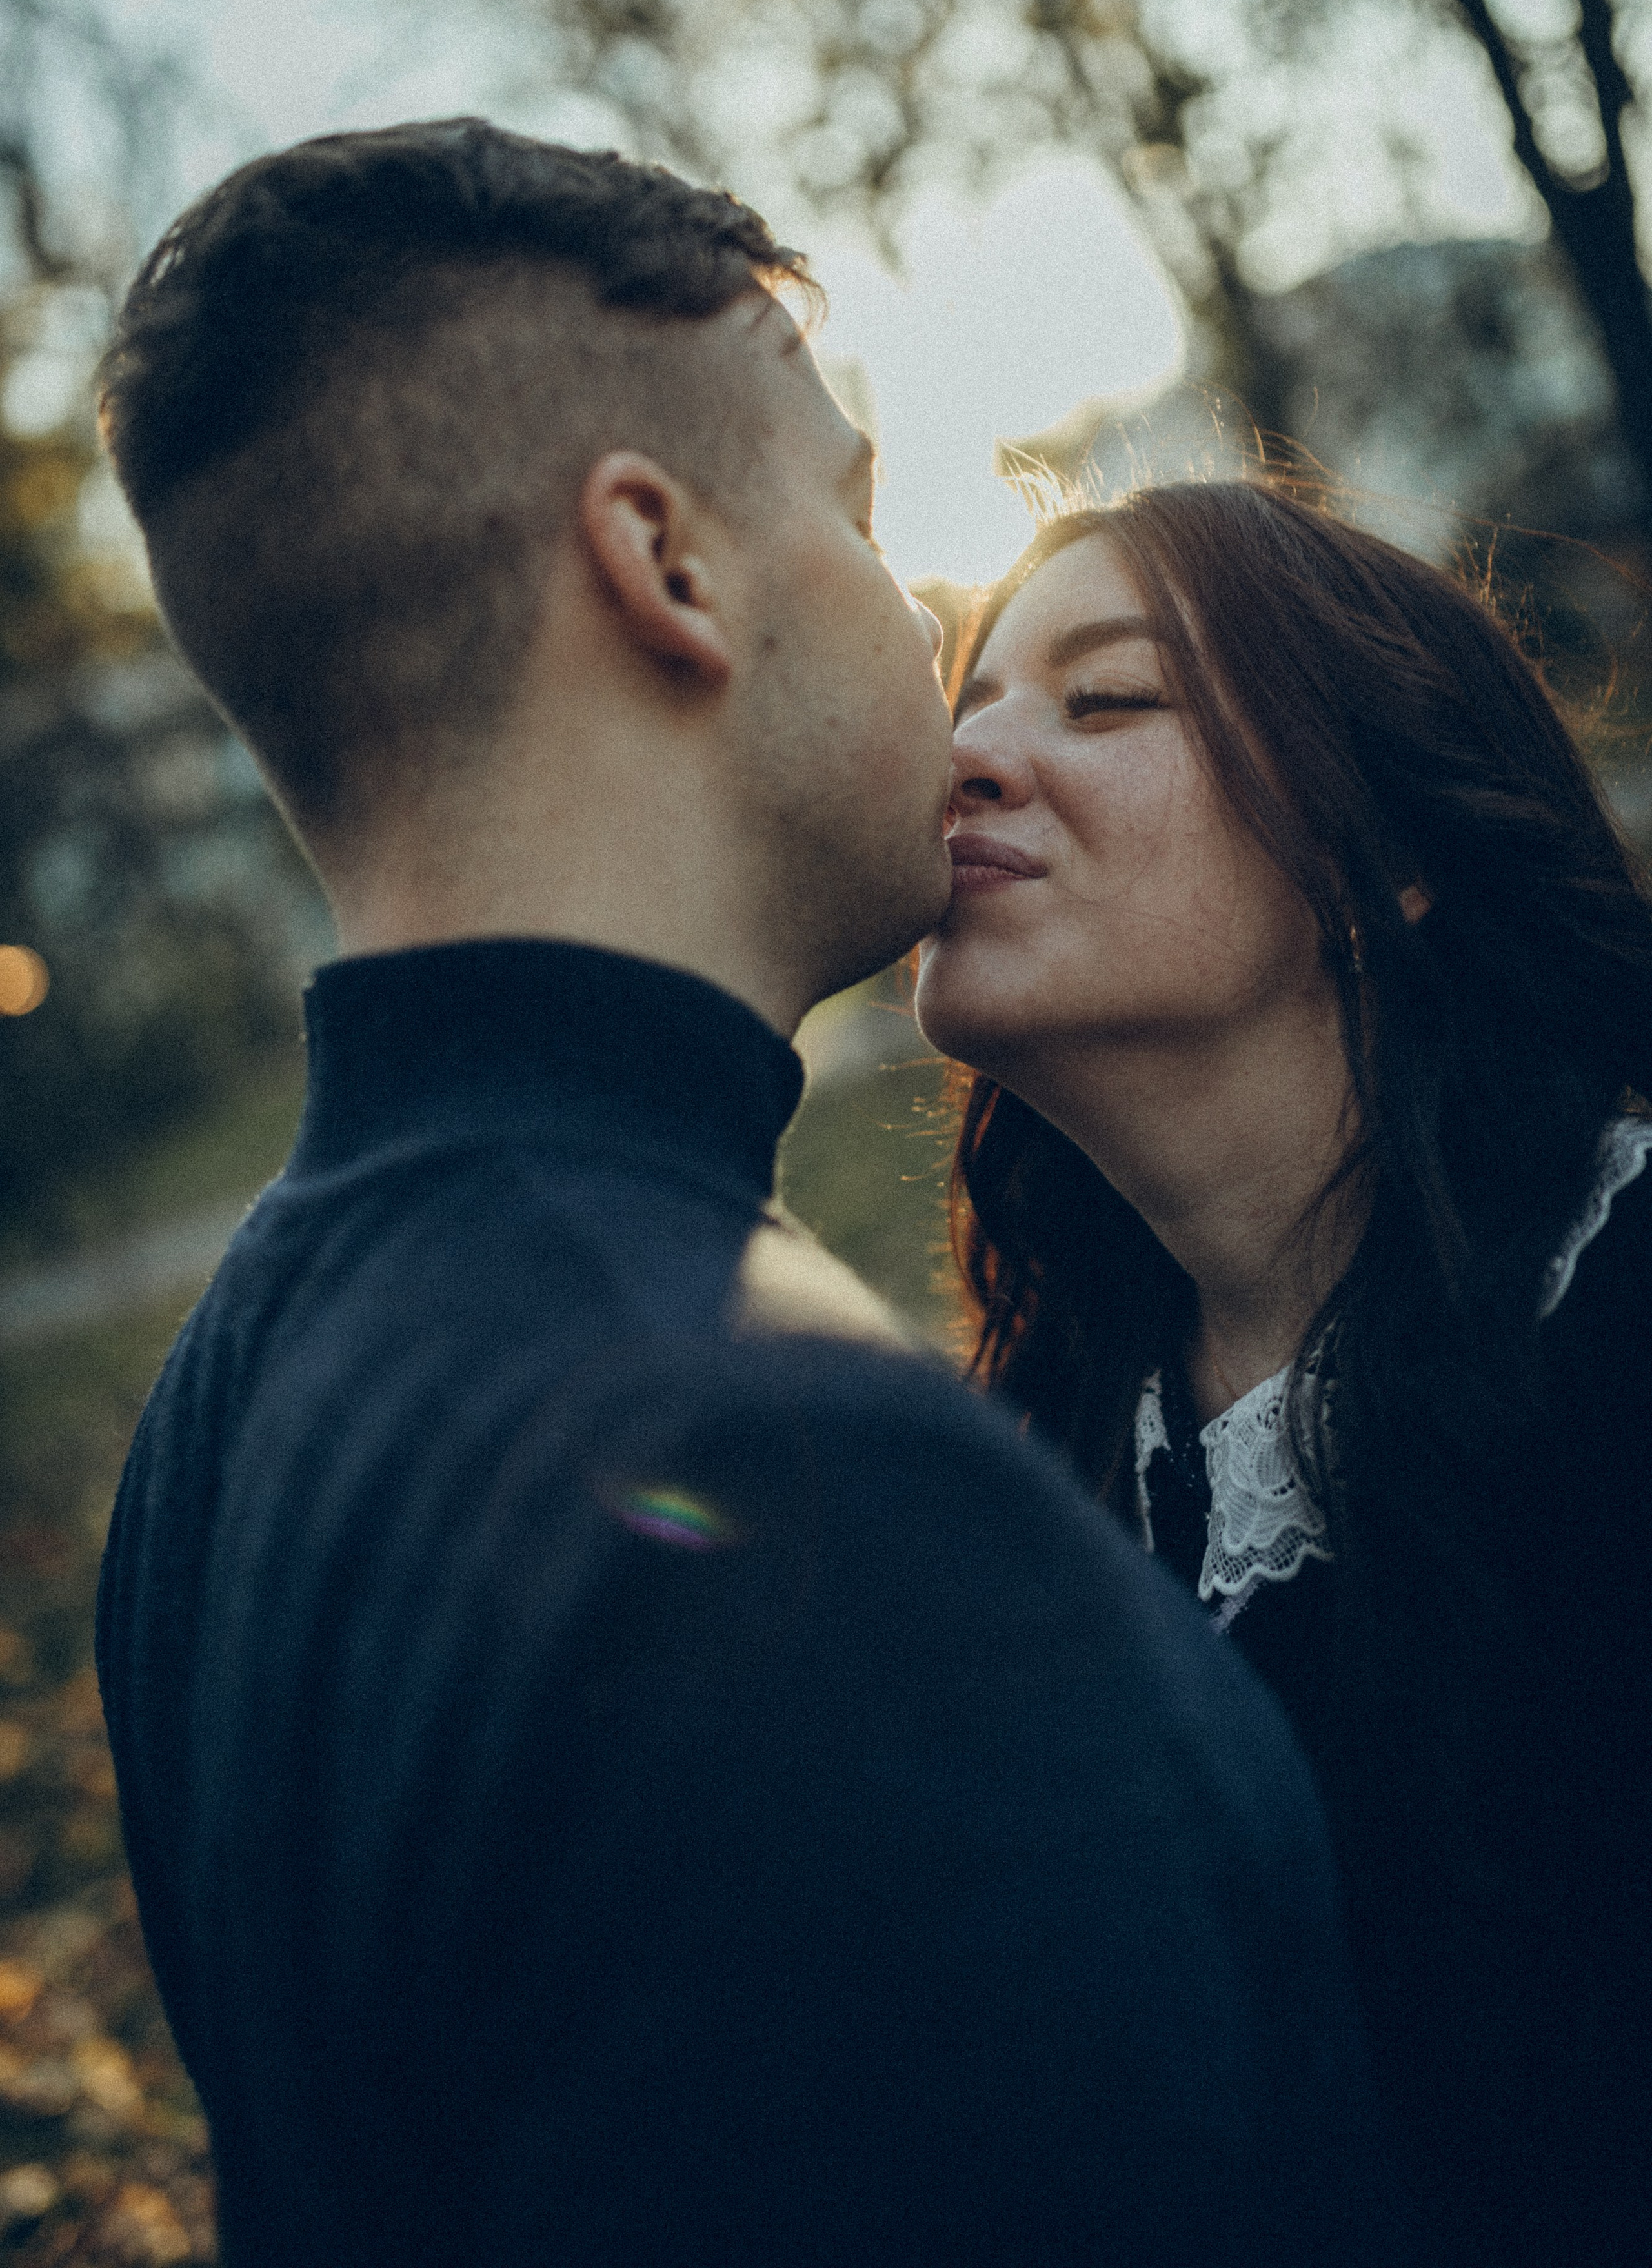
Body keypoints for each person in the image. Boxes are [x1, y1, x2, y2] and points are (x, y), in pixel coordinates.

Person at [92, 125, 1403, 2267]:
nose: (918, 621)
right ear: (666, 564)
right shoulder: (794, 1480)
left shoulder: (213, 1416)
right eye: (861, 510)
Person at [917, 477, 1652, 2268]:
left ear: (1377, 856)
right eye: (970, 701)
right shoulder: (1050, 1465)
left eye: (1105, 699)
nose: (971, 761)